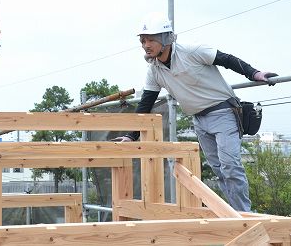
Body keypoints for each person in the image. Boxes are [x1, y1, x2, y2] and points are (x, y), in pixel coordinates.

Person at [113, 12, 277, 212]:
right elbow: (145, 104)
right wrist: (131, 136)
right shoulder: (154, 70)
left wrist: (254, 73)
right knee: (219, 170)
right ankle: (235, 213)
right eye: (143, 40)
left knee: (230, 166)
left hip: (223, 112)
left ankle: (244, 214)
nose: (146, 45)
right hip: (199, 120)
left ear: (165, 39)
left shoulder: (191, 51)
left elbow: (226, 59)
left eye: (150, 40)